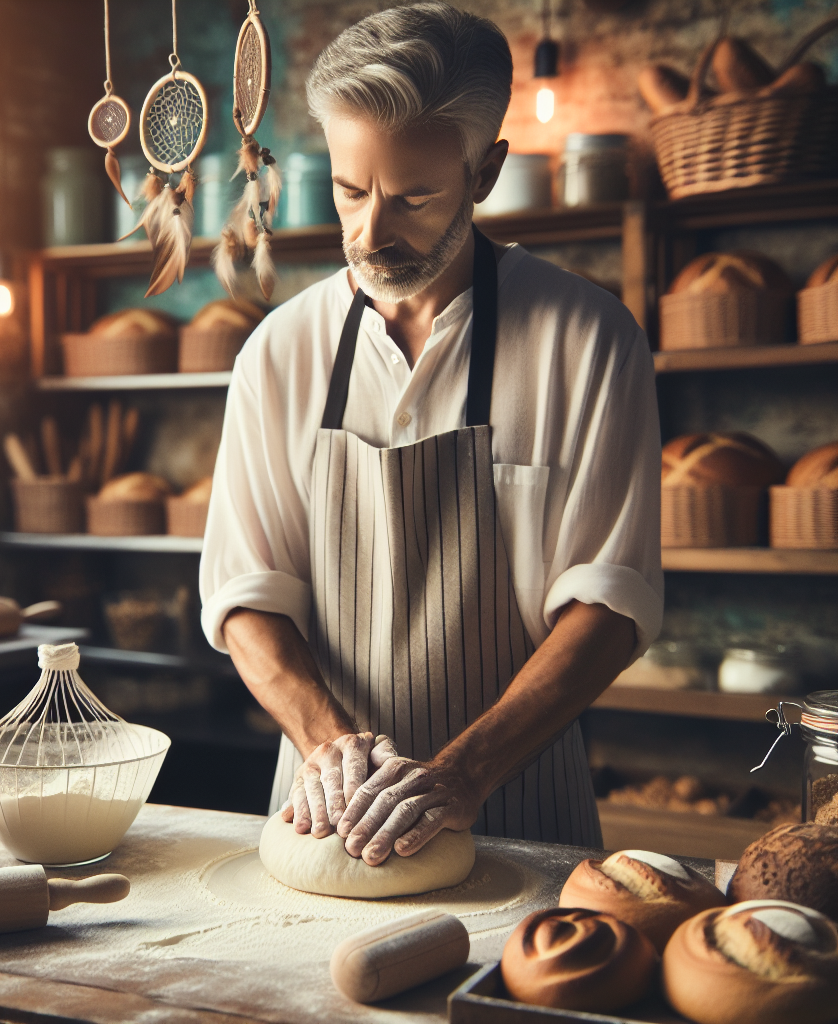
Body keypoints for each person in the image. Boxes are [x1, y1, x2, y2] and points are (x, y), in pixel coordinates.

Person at [199, 1, 662, 866]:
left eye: (415, 196)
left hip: (521, 807)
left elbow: (608, 605)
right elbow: (245, 595)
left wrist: (459, 774)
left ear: (485, 171)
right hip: (326, 813)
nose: (372, 232)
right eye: (350, 189)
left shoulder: (588, 338)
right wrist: (334, 749)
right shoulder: (279, 352)